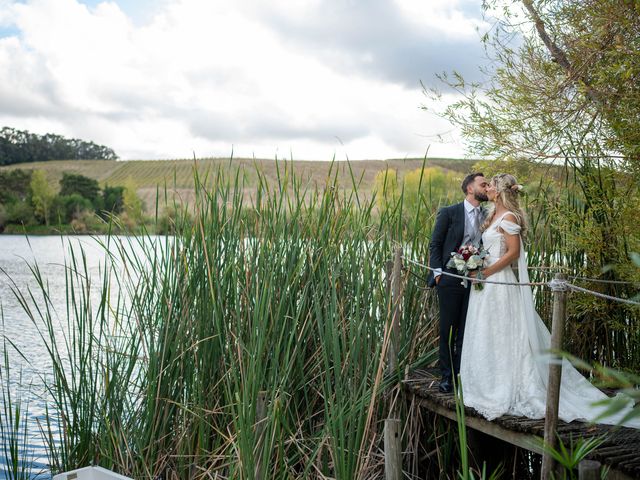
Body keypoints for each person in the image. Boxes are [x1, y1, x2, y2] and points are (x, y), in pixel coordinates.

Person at [460, 173, 640, 427]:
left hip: (499, 284)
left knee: (505, 332)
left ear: (499, 191)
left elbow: (513, 253)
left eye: (491, 185)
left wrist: (485, 271)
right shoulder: (492, 216)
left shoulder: (509, 217)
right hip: (486, 285)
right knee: (489, 332)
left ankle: (509, 385)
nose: (487, 188)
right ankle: (488, 382)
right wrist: (474, 262)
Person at [428, 172, 488, 393]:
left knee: (466, 330)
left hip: (475, 280)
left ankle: (461, 376)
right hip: (449, 279)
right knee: (448, 330)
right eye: (483, 184)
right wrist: (437, 273)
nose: (487, 187)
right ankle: (446, 377)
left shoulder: (487, 215)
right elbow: (435, 244)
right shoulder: (450, 212)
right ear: (470, 188)